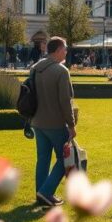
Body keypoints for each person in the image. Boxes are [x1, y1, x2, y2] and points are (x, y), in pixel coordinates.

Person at [30, 36, 77, 207]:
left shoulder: (35, 68)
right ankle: (46, 192)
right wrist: (71, 125)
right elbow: (66, 102)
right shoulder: (61, 71)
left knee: (42, 159)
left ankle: (40, 194)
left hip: (37, 121)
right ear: (57, 50)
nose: (66, 51)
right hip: (55, 123)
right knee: (65, 159)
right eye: (64, 48)